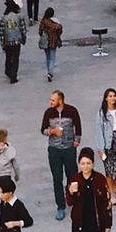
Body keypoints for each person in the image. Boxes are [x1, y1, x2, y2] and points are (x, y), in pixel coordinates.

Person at [41, 90, 82, 220]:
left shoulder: (71, 111)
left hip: (69, 148)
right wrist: (52, 131)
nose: (51, 102)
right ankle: (60, 206)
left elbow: (78, 127)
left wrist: (75, 143)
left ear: (60, 100)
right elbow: (43, 129)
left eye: (53, 100)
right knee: (57, 178)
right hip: (54, 149)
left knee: (72, 176)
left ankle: (73, 199)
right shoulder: (49, 113)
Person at [66, 147, 112, 232]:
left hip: (95, 222)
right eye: (82, 163)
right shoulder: (75, 180)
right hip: (80, 222)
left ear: (92, 163)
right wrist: (71, 192)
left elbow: (107, 202)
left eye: (88, 163)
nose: (85, 166)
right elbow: (69, 202)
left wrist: (107, 224)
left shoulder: (99, 179)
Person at [93, 89, 116, 202]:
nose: (112, 98)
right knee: (109, 169)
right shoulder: (102, 113)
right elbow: (99, 130)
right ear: (106, 98)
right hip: (108, 142)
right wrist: (100, 148)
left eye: (114, 96)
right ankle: (111, 192)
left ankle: (115, 183)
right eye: (110, 96)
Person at [0, 128, 20, 229]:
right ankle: (5, 218)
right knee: (5, 198)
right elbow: (15, 163)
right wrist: (17, 173)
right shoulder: (10, 149)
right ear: (6, 137)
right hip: (6, 176)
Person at [0, 1, 26, 84]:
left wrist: (2, 42)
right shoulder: (18, 17)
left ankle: (8, 71)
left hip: (8, 41)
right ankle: (13, 75)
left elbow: (1, 31)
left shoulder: (4, 17)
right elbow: (23, 28)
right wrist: (23, 38)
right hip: (16, 41)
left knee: (8, 56)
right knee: (15, 58)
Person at [40, 8, 63, 82]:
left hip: (45, 41)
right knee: (52, 57)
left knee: (47, 57)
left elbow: (40, 31)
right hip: (53, 41)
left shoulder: (43, 21)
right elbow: (59, 29)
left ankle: (48, 71)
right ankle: (50, 72)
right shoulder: (55, 23)